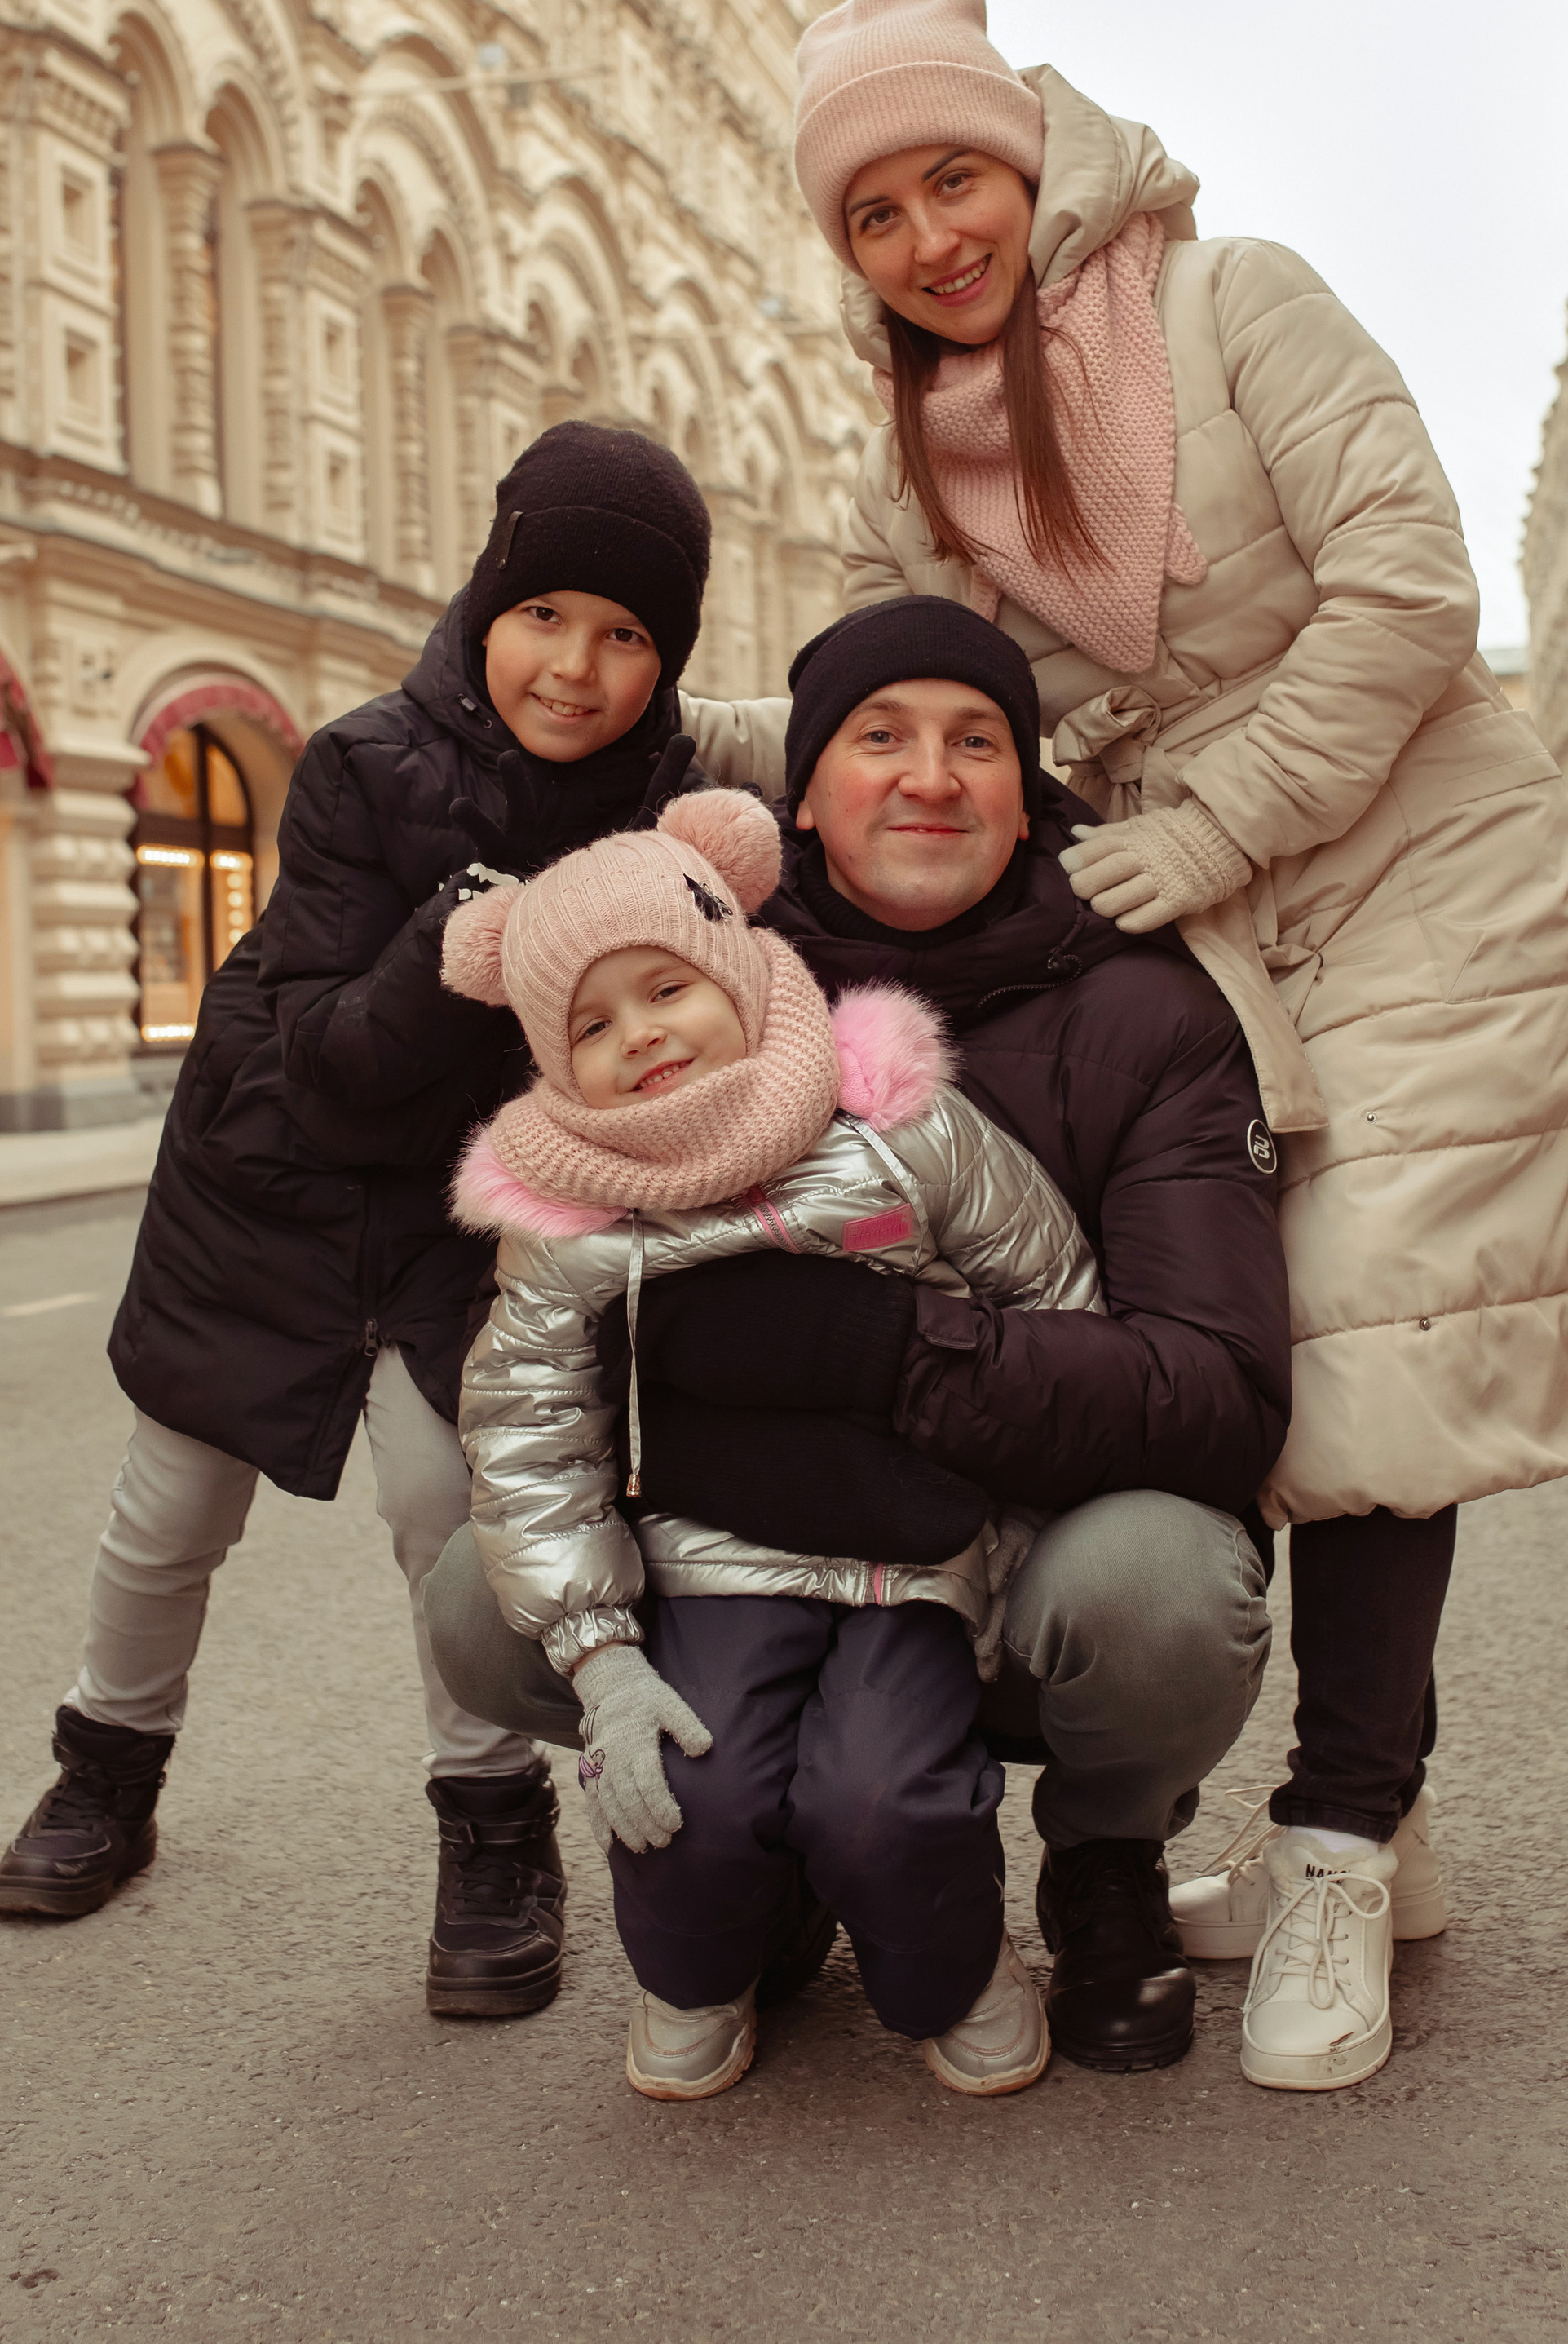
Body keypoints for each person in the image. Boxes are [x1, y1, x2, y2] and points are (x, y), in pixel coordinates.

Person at [787, 0, 1568, 2093]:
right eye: (875, 213)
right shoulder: (927, 455)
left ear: (1030, 151)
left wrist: (1215, 818)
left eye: (952, 177)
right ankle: (1387, 1813)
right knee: (1249, 1357)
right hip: (1227, 902)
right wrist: (717, 794)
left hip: (1421, 862)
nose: (931, 238)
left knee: (1372, 1351)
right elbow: (945, 706)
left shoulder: (1232, 297)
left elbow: (1410, 583)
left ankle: (1341, 1842)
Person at [428, 595, 1292, 2076]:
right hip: (725, 1549)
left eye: (976, 742)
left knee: (1159, 1585)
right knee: (472, 1586)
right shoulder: (692, 984)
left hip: (989, 1536)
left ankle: (1101, 1857)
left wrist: (878, 1358)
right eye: (878, 737)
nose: (930, 775)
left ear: (1029, 796)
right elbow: (538, 1370)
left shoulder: (1144, 1011)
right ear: (803, 795)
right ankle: (752, 1878)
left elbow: (1210, 1394)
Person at [0, 423, 719, 2027]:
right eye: (545, 615)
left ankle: (490, 1831)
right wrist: (447, 949)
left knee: (444, 1514)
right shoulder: (359, 761)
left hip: (468, 1223)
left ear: (664, 664)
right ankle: (104, 1771)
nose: (576, 666)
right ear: (485, 599)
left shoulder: (670, 808)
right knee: (170, 1508)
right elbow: (323, 1051)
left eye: (626, 636)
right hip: (276, 1188)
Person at [442, 782, 1104, 2102]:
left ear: (737, 973)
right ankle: (704, 1972)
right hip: (710, 1561)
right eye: (591, 1022)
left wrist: (1016, 1538)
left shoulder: (899, 1129)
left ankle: (953, 1969)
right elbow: (528, 1429)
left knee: (886, 1798)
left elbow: (1052, 1310)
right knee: (694, 1803)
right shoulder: (567, 1214)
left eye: (665, 988)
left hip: (911, 1558)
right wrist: (601, 1654)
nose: (641, 1036)